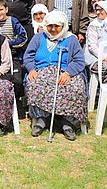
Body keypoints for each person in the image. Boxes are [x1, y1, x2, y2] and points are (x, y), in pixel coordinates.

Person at [23, 11, 87, 141]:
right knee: (35, 84)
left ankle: (67, 123)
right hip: (41, 71)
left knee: (75, 87)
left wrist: (68, 72)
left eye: (57, 26)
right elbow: (28, 56)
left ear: (63, 26)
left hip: (65, 72)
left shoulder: (71, 39)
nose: (53, 29)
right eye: (50, 26)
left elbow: (79, 60)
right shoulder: (39, 37)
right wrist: (31, 70)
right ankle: (41, 120)